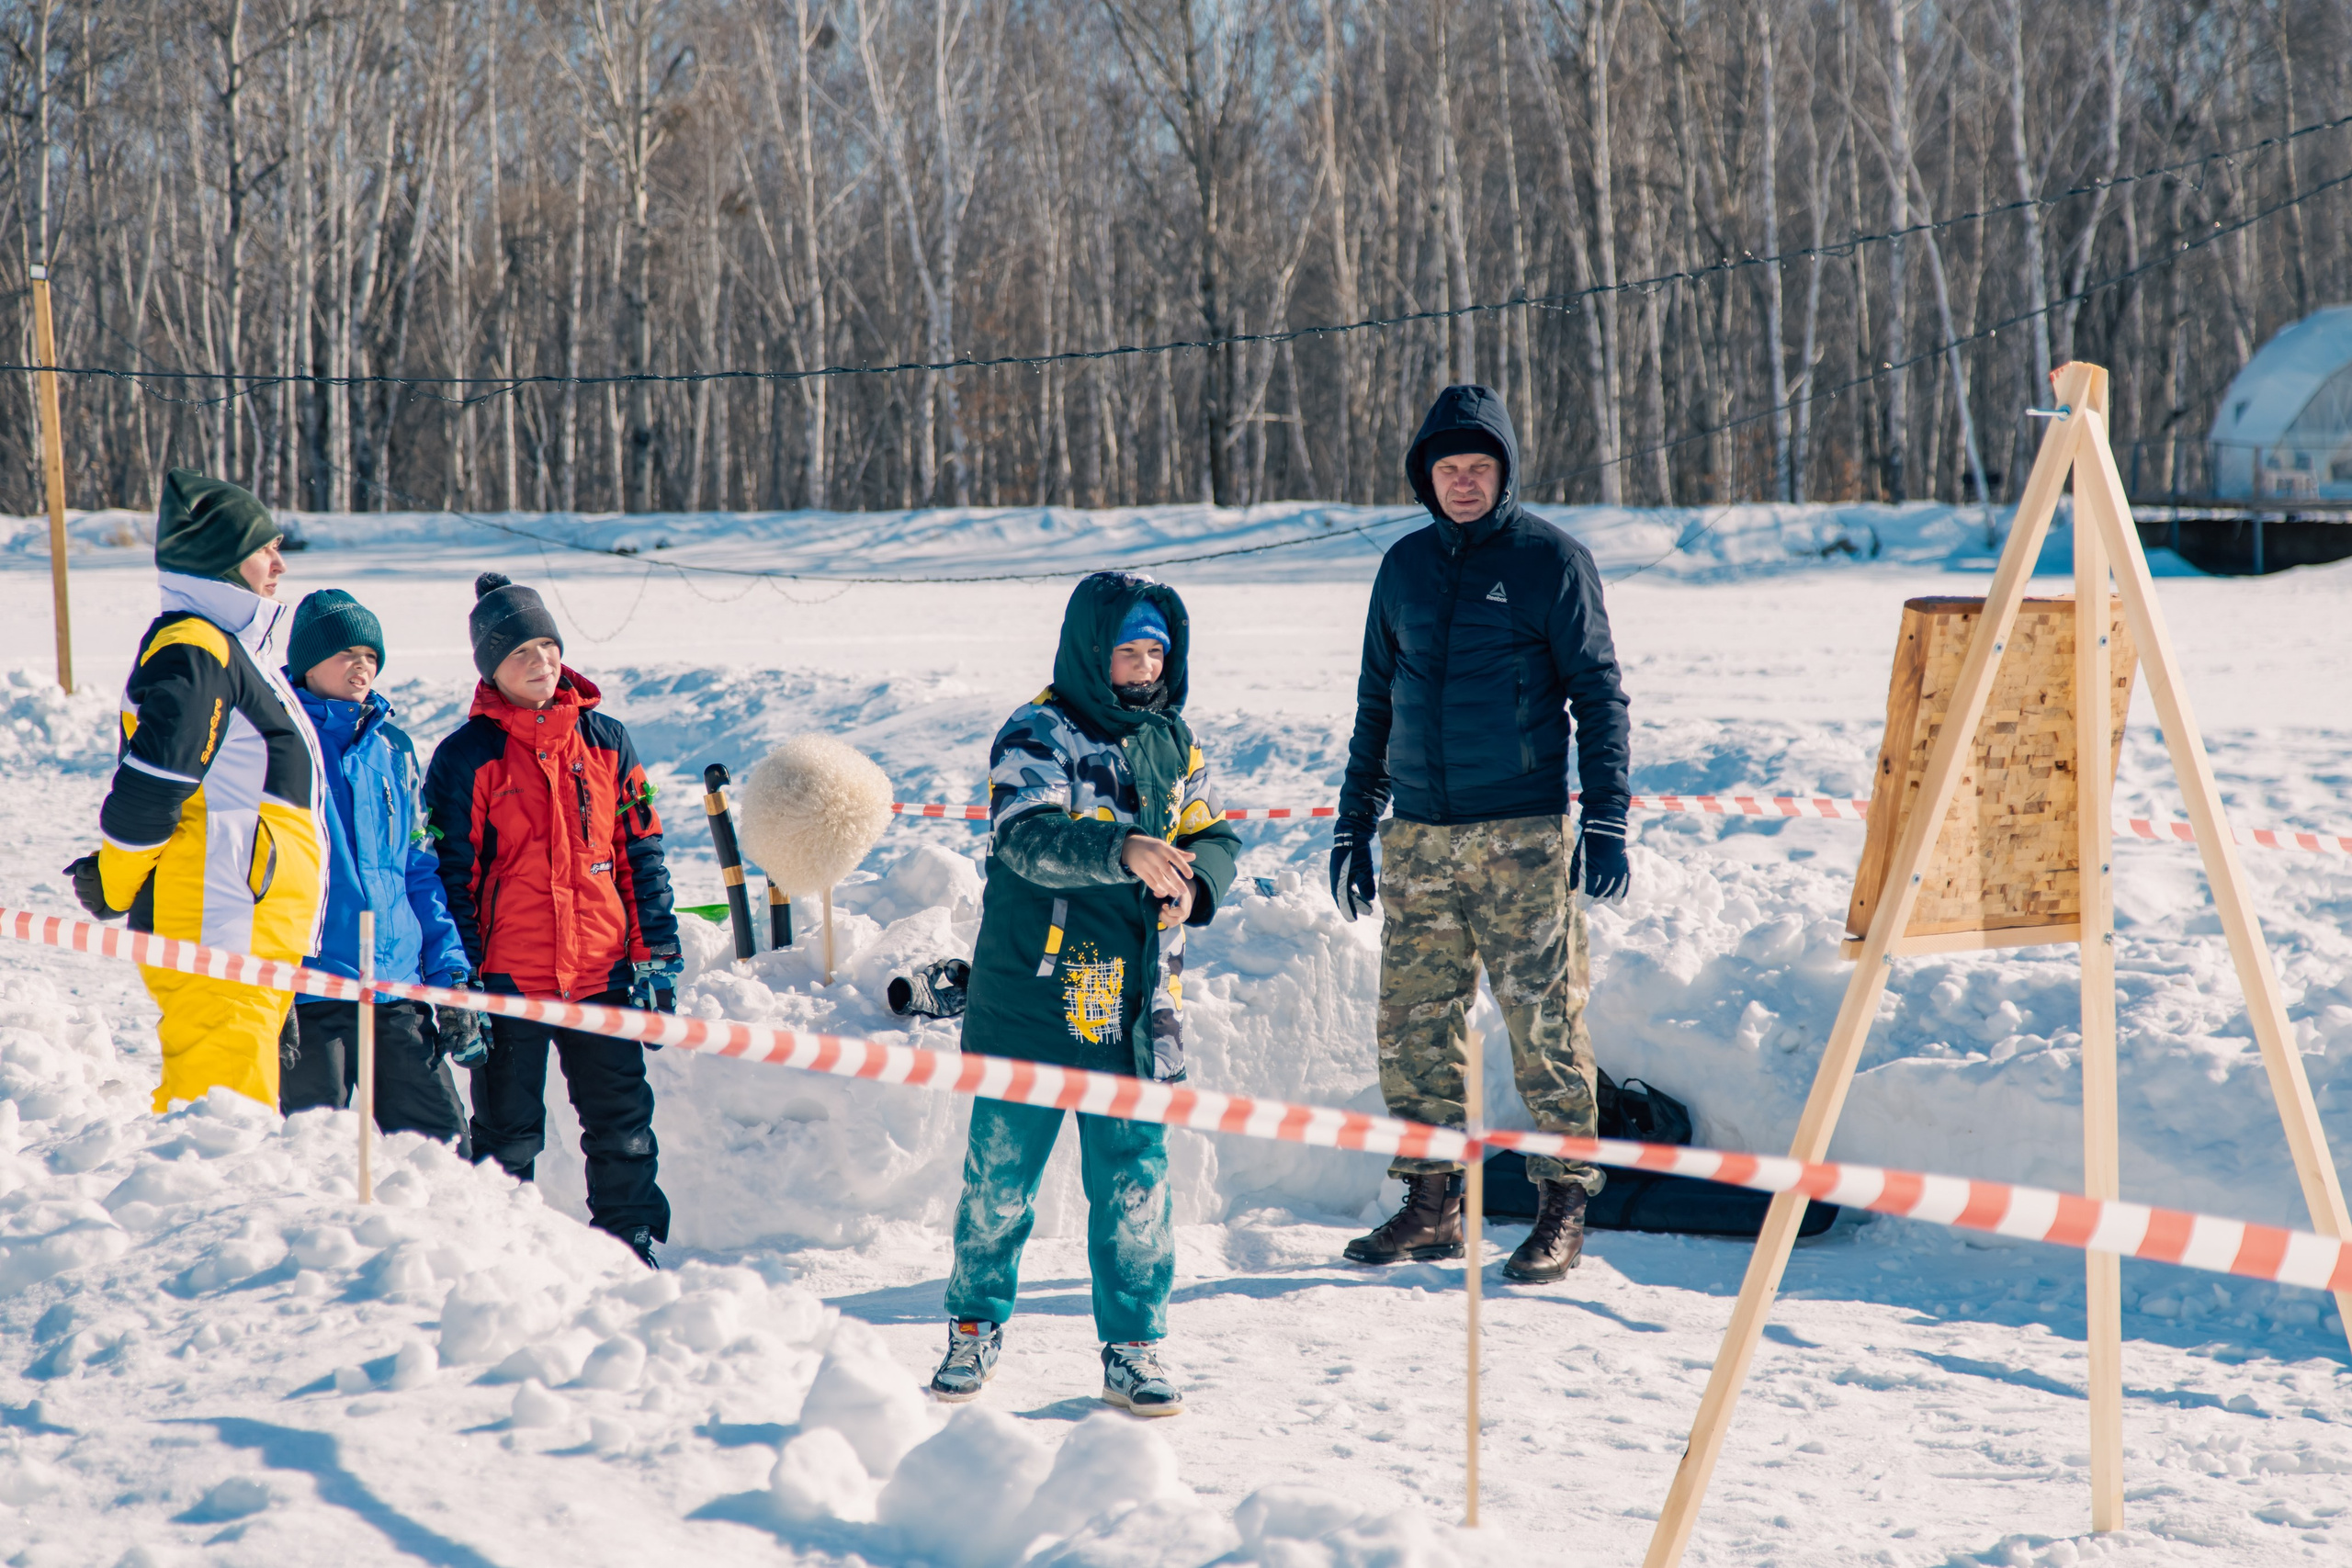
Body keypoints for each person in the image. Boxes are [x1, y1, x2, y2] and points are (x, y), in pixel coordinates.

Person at [1331, 384, 1633, 1283]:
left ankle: (1561, 1205)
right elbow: (1375, 703)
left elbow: (1599, 696)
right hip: (1420, 836)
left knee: (1544, 1025)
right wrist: (1355, 822)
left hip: (1523, 833)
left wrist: (1607, 816)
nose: (1462, 482)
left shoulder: (1551, 561)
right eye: (1446, 469)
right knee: (1416, 1027)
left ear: (1504, 473)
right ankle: (1431, 1206)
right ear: (1425, 478)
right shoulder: (1403, 567)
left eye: (1478, 467)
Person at [930, 572, 1240, 1416]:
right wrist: (1126, 850)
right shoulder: (1037, 730)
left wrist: (1196, 885)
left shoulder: (1174, 738)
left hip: (1134, 1006)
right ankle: (972, 1325)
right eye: (1127, 650)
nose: (1143, 667)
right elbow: (1024, 836)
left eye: (1156, 652)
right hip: (1033, 995)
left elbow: (1215, 830)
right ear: (1089, 651)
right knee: (999, 1181)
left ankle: (1133, 1348)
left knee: (1135, 1184)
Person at [423, 572, 680, 1268]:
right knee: (508, 1132)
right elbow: (453, 880)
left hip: (602, 972)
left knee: (622, 1123)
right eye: (519, 655)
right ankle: (506, 1253)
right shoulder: (465, 757)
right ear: (491, 670)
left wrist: (655, 953)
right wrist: (462, 985)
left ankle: (628, 1242)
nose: (540, 663)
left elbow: (641, 853)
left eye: (546, 646)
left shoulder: (606, 741)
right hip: (511, 976)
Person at [63, 469, 328, 1111]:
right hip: (222, 923)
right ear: (225, 559)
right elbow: (149, 791)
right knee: (220, 1133)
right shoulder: (196, 649)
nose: (280, 565)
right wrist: (116, 880)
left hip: (243, 924)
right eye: (266, 548)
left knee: (227, 1124)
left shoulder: (229, 646)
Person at [278, 588, 481, 1144]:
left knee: (444, 1152)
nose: (362, 664)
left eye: (370, 654)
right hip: (311, 993)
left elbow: (418, 870)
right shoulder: (277, 745)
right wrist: (269, 990)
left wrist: (449, 977)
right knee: (315, 1163)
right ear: (308, 663)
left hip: (397, 991)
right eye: (346, 652)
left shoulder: (393, 747)